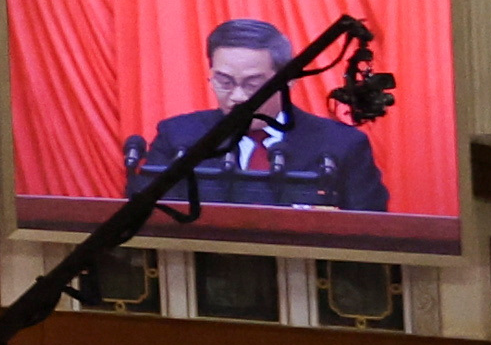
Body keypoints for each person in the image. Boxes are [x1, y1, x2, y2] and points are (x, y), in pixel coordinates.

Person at [121, 11, 387, 212]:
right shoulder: (178, 137)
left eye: (253, 85)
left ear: (289, 80)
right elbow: (144, 220)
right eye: (224, 82)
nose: (237, 97)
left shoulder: (342, 145)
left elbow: (371, 234)